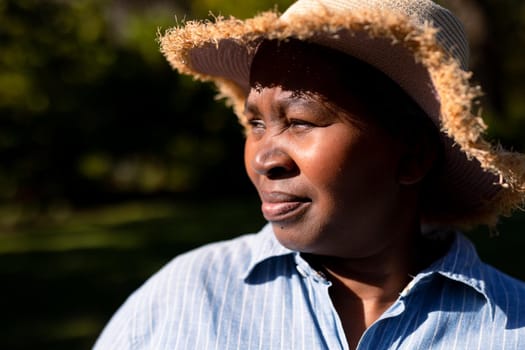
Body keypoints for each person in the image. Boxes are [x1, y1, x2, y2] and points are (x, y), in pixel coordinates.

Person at [94, 0, 525, 349]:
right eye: (256, 125)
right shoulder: (186, 297)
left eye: (300, 121)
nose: (265, 158)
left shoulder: (511, 326)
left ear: (412, 155)